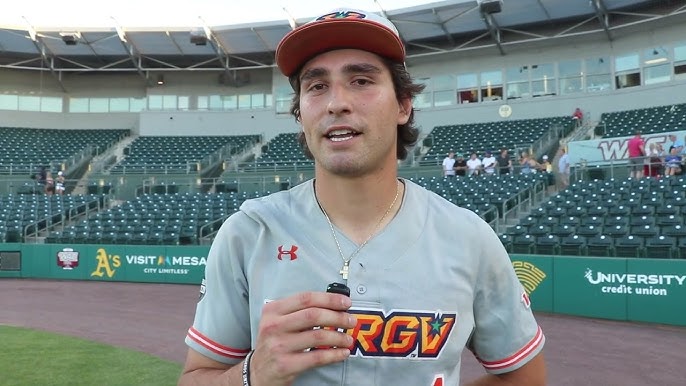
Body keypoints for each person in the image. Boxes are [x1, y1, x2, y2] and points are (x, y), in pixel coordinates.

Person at [179, 8, 545, 386]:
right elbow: (194, 378)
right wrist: (251, 374)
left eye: (360, 80)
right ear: (300, 114)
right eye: (316, 86)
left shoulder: (469, 238)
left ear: (403, 105)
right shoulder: (248, 233)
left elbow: (525, 378)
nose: (336, 102)